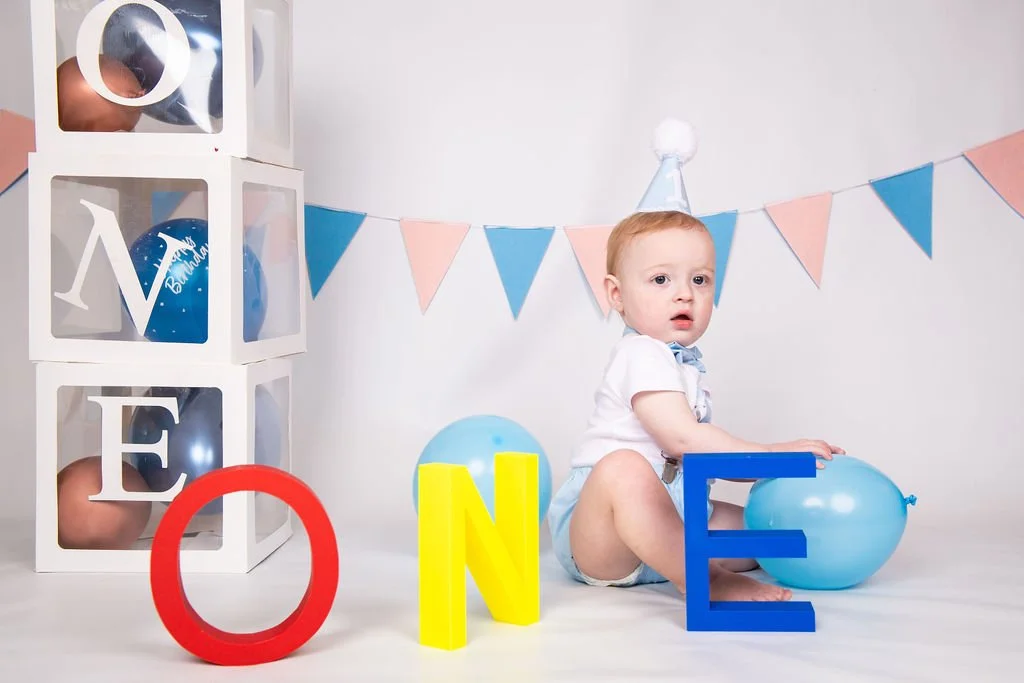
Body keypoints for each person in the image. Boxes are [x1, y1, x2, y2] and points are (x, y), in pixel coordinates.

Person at [547, 209, 844, 602]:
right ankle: (709, 580)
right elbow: (682, 440)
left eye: (699, 279)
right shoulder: (640, 353)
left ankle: (689, 560)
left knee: (766, 532)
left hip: (678, 517)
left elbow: (706, 458)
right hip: (606, 534)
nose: (684, 293)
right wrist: (770, 456)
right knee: (623, 468)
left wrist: (774, 472)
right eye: (660, 279)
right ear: (617, 294)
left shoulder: (682, 364)